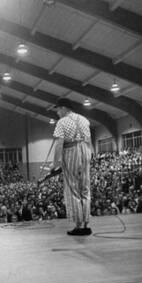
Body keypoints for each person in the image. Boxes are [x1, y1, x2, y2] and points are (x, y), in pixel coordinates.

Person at [51, 98, 93, 236]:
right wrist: (90, 155)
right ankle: (86, 223)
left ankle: (79, 225)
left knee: (73, 188)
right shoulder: (84, 119)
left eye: (58, 109)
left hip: (71, 152)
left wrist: (55, 163)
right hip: (85, 151)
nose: (57, 112)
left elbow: (59, 143)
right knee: (85, 188)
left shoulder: (62, 122)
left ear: (64, 108)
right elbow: (89, 140)